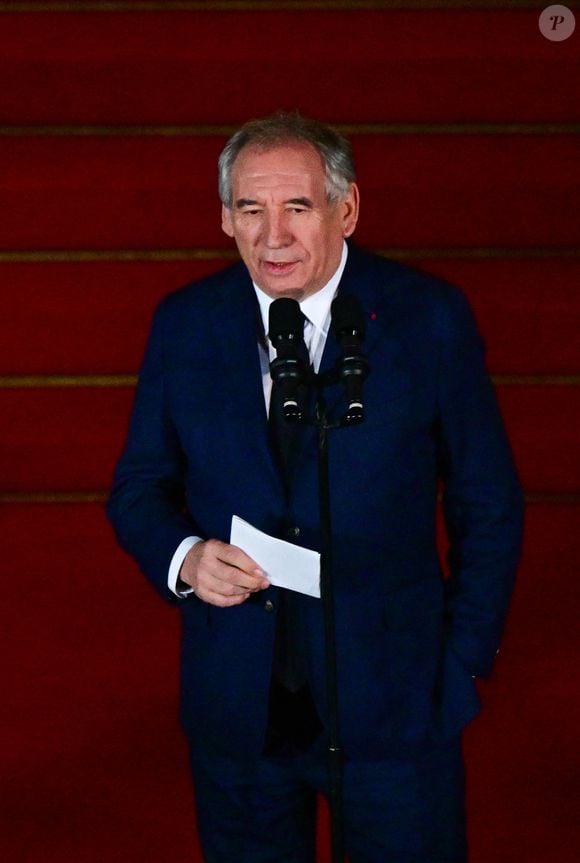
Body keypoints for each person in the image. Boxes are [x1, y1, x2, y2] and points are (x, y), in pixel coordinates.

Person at [108, 112, 524, 862]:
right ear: (225, 218)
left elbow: (486, 501)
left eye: (296, 207)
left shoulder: (427, 318)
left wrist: (462, 659)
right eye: (250, 209)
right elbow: (138, 486)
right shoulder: (185, 323)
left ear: (348, 209)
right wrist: (185, 559)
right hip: (240, 702)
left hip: (396, 701)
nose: (273, 236)